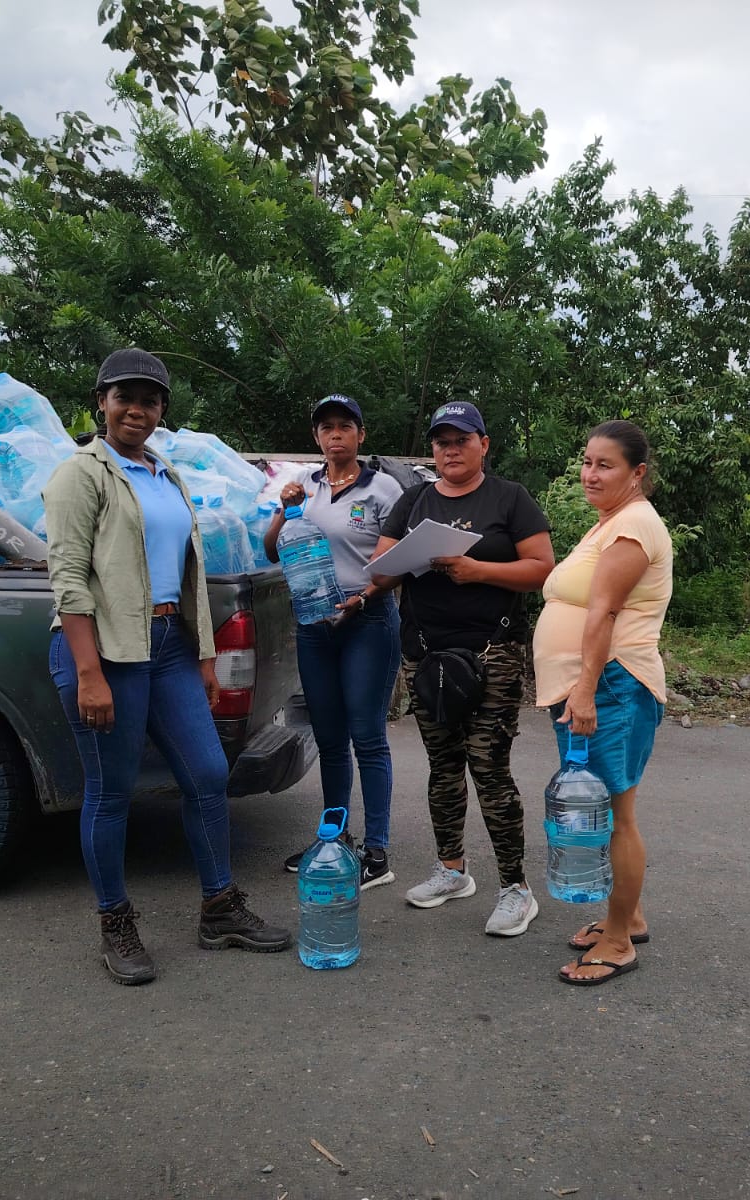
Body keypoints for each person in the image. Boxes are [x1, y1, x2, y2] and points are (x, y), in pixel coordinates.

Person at [44, 347, 291, 986]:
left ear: (161, 411)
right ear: (101, 403)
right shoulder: (81, 474)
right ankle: (115, 923)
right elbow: (67, 578)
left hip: (170, 646)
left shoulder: (164, 474)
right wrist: (89, 673)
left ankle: (219, 909)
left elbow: (188, 572)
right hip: (107, 651)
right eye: (125, 397)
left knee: (208, 774)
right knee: (111, 792)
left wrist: (204, 656)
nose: (137, 410)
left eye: (150, 400)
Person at [371, 401, 554, 937]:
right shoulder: (413, 500)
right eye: (441, 441)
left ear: (483, 444)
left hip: (493, 651)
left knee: (489, 766)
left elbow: (542, 569)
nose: (450, 450)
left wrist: (477, 570)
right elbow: (380, 572)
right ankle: (452, 870)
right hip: (426, 654)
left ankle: (516, 888)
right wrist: (408, 561)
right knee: (443, 765)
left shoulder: (510, 498)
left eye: (461, 440)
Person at [532, 420, 673, 986]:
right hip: (598, 684)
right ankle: (627, 917)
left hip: (612, 685)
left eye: (605, 465)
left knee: (616, 815)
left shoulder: (634, 526)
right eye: (587, 462)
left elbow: (604, 612)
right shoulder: (611, 522)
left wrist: (586, 688)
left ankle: (618, 943)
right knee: (609, 809)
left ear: (637, 473)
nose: (590, 474)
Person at [264, 394, 404, 888]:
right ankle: (334, 838)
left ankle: (377, 851)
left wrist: (364, 598)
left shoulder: (384, 489)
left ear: (361, 435)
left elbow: (399, 562)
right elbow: (272, 551)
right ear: (317, 437)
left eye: (345, 426)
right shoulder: (304, 487)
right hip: (315, 623)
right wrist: (283, 512)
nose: (335, 435)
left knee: (367, 735)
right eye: (327, 428)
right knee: (329, 737)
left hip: (367, 621)